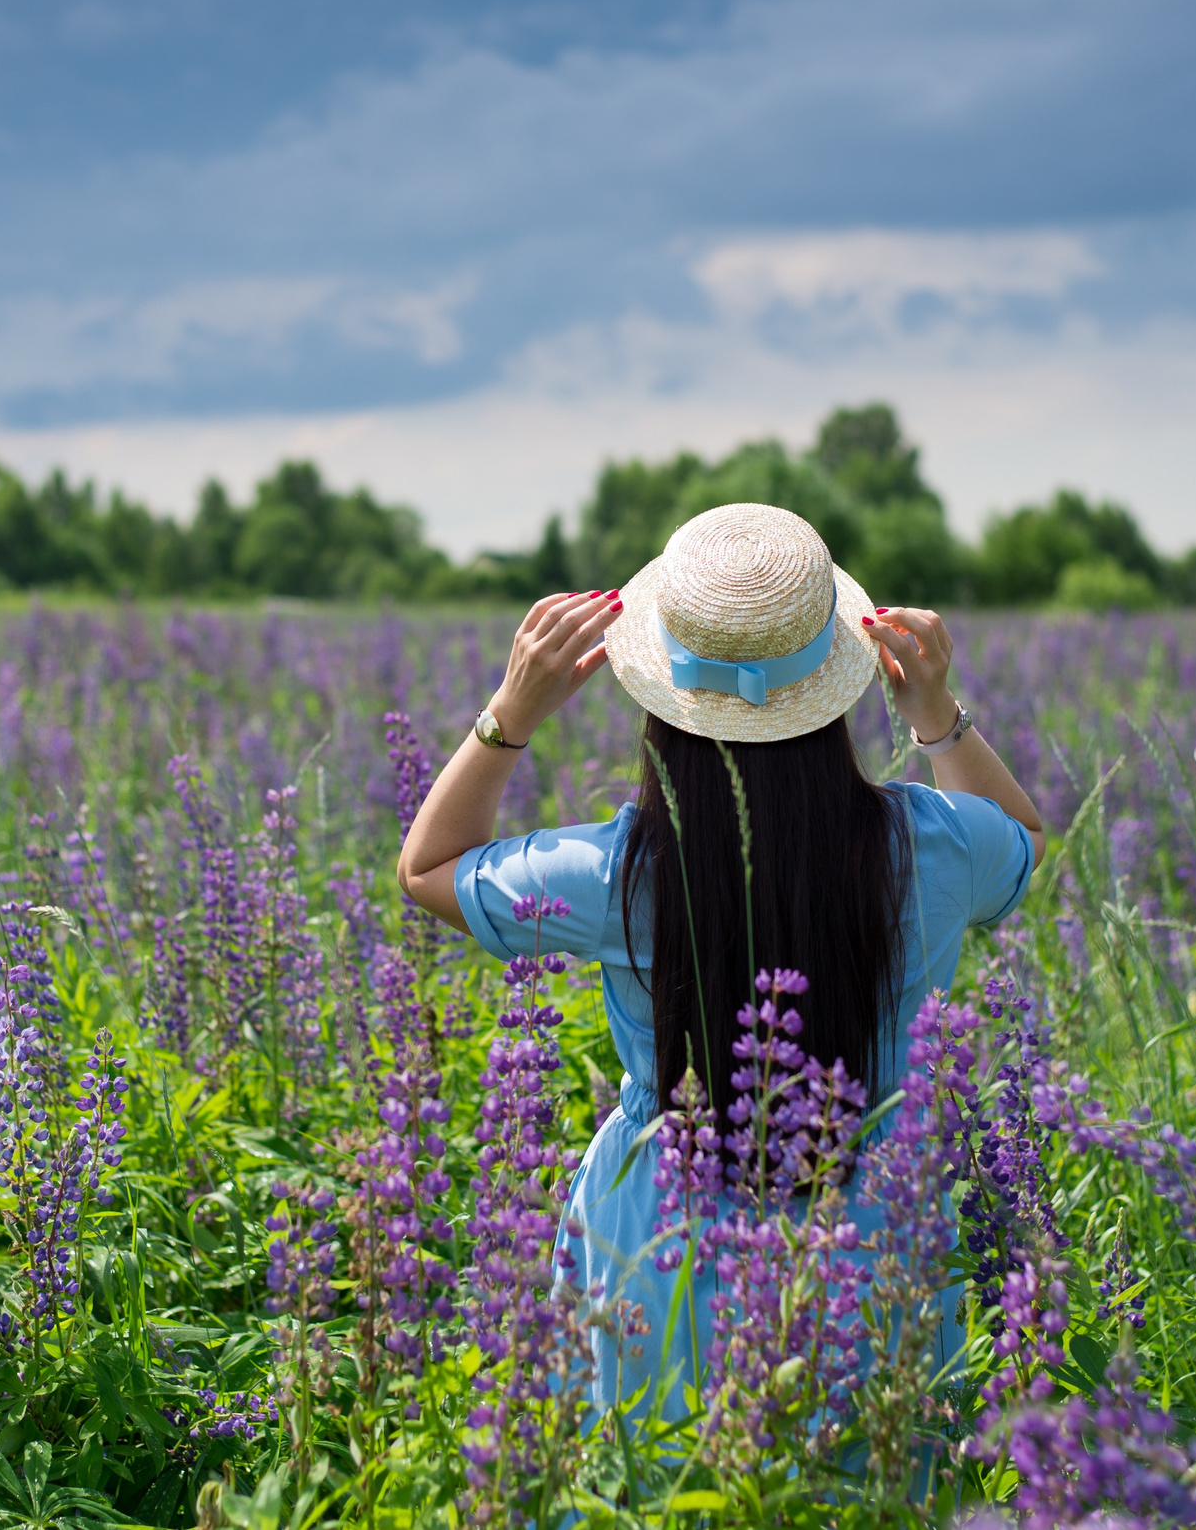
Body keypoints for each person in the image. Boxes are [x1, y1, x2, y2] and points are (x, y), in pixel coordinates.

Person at [396, 501, 1045, 1413]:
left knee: (655, 1483)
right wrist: (937, 717)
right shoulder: (929, 845)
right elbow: (1021, 836)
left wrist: (510, 713)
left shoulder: (619, 871)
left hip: (659, 1244)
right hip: (872, 1240)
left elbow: (426, 866)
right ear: (841, 688)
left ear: (661, 707)